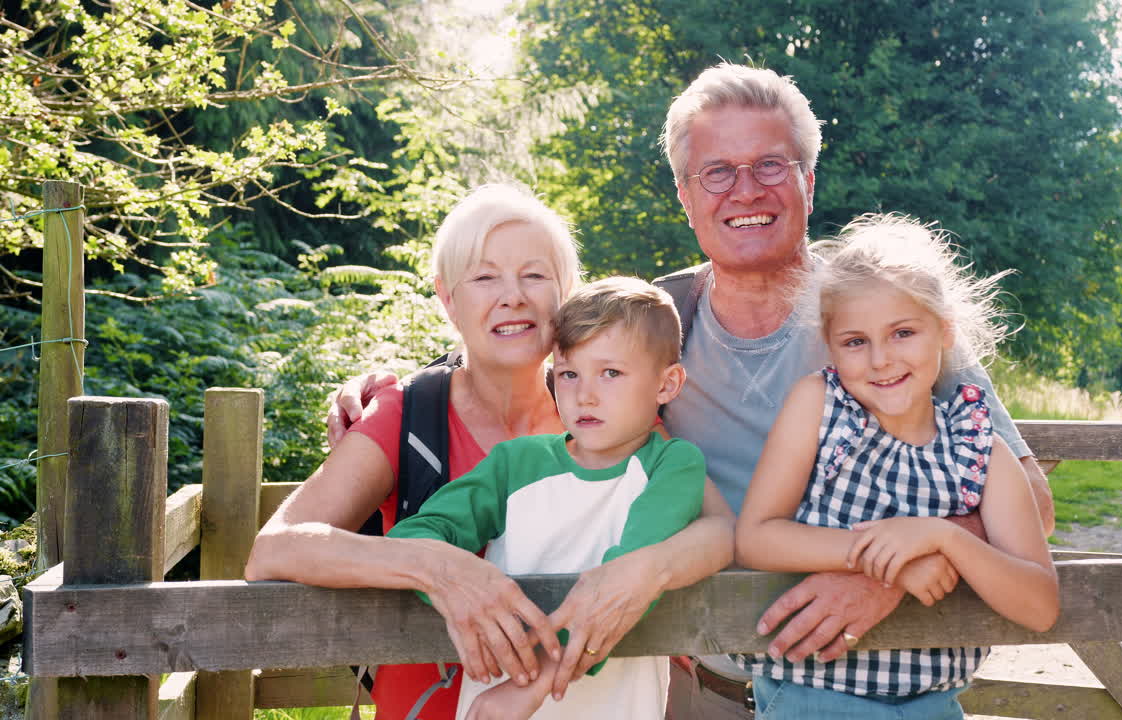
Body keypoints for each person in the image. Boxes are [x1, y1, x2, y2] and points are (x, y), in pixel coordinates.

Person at [330, 62, 1055, 716]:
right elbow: (530, 355)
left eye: (771, 164)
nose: (747, 190)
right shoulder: (658, 324)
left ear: (809, 178)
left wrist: (887, 570)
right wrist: (396, 391)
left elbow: (1032, 503)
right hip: (693, 686)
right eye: (717, 171)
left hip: (869, 687)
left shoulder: (881, 310)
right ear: (685, 193)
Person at [246, 184, 734, 720]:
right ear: (447, 297)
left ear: (564, 292)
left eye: (534, 275)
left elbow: (713, 527)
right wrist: (435, 566)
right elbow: (274, 550)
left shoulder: (610, 421)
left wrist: (646, 571)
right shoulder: (407, 416)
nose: (513, 296)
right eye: (484, 276)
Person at [735, 214, 1059, 717]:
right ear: (830, 344)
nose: (881, 360)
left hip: (933, 704)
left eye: (903, 332)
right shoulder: (820, 406)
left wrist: (942, 537)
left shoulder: (981, 449)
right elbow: (756, 536)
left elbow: (1039, 606)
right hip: (811, 698)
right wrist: (887, 561)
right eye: (856, 342)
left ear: (945, 331)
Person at [389, 276, 711, 720]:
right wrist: (458, 582)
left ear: (667, 384)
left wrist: (537, 681)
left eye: (611, 373)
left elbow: (625, 571)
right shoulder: (514, 465)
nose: (585, 394)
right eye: (569, 374)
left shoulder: (672, 466)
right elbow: (416, 536)